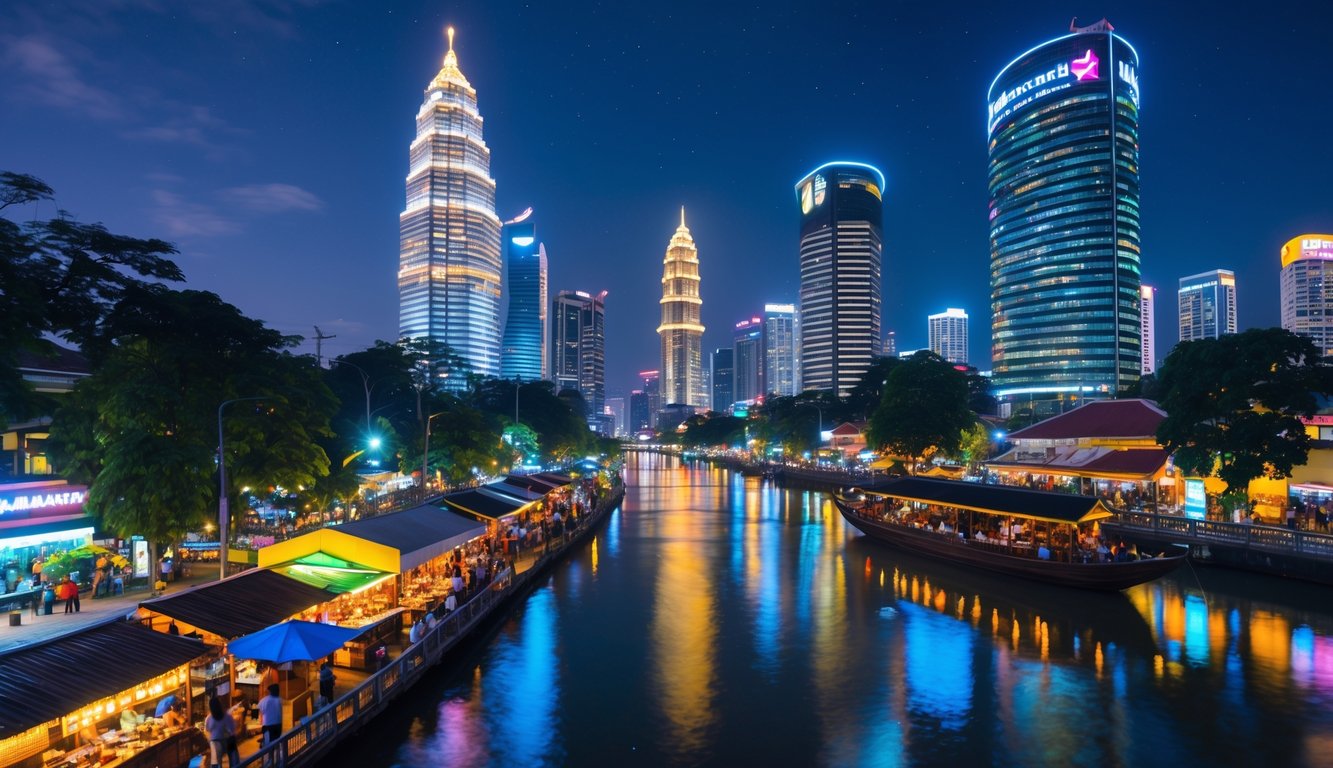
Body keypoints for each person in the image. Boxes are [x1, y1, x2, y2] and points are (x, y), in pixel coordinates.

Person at [205, 695, 240, 768]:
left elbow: (207, 730)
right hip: (228, 740)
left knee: (216, 762)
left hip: (215, 741)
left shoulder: (209, 718)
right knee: (234, 760)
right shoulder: (227, 716)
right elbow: (232, 729)